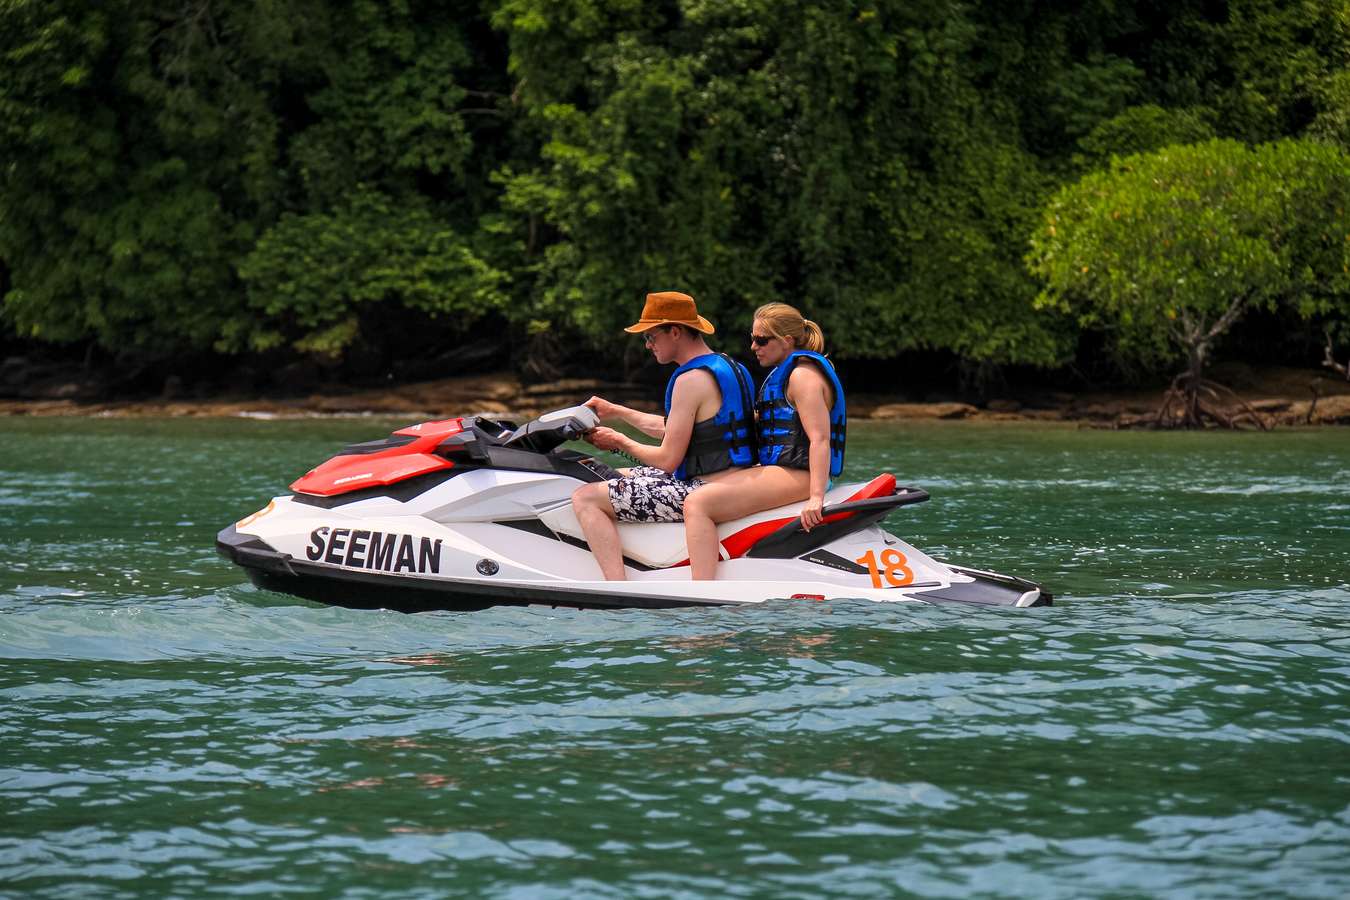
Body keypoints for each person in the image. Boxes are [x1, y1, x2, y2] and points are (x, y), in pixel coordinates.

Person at [572, 291, 757, 581]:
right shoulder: (733, 367)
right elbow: (680, 430)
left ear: (675, 332)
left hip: (703, 486)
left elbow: (668, 460)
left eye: (651, 336)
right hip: (728, 477)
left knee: (585, 497)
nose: (647, 345)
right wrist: (617, 411)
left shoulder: (690, 380)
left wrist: (618, 440)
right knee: (607, 474)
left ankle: (617, 589)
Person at [681, 302, 846, 580]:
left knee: (698, 504)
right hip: (781, 469)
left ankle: (702, 590)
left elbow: (820, 439)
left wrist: (815, 498)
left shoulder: (803, 377)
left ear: (787, 341)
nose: (753, 347)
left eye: (761, 340)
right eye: (752, 339)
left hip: (799, 475)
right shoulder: (783, 374)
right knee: (699, 486)